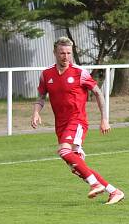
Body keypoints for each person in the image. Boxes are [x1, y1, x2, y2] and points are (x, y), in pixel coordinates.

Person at [31, 37, 124, 205]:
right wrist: (36, 113)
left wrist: (104, 119)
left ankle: (94, 183)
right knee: (77, 167)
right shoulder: (46, 75)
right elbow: (40, 97)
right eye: (62, 53)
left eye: (68, 53)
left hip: (77, 120)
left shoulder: (80, 73)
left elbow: (98, 93)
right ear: (55, 53)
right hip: (60, 125)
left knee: (64, 152)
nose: (65, 56)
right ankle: (114, 191)